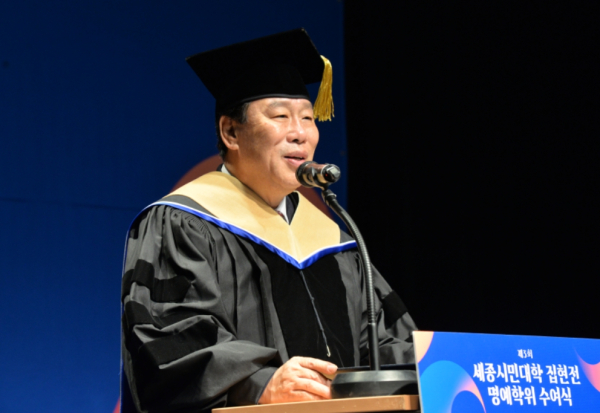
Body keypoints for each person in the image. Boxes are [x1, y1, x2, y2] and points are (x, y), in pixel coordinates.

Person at [120, 29, 417, 413]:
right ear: (231, 132)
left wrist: (434, 365)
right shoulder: (183, 223)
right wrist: (259, 383)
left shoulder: (335, 240)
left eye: (308, 118)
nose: (300, 134)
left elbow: (385, 340)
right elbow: (168, 339)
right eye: (280, 117)